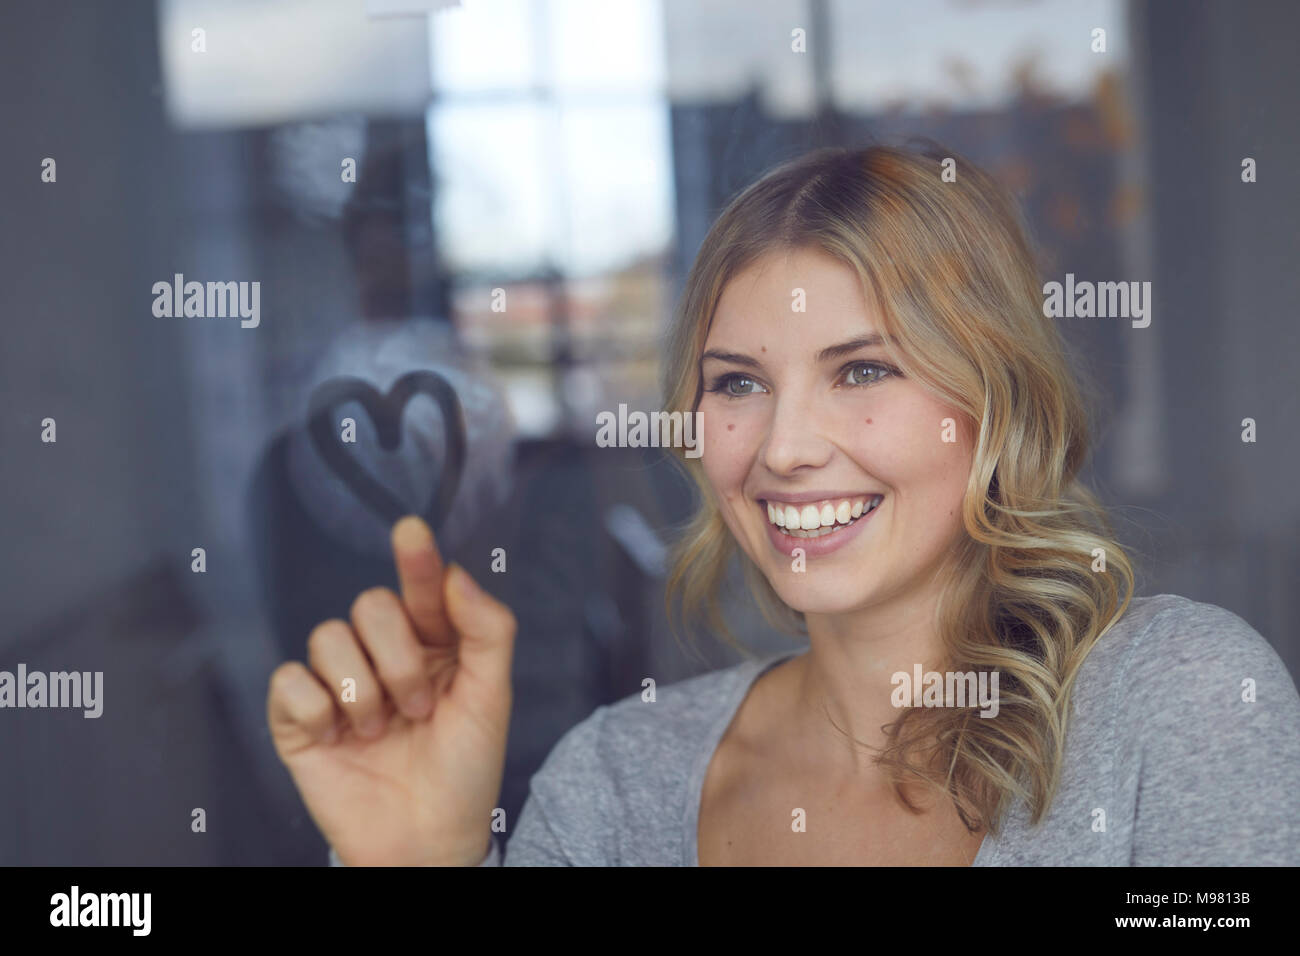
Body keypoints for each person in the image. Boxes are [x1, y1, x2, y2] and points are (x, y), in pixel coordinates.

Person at [266, 143, 1300, 866]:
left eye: (862, 370)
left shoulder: (1179, 706)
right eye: (738, 384)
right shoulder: (614, 786)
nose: (786, 450)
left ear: (995, 403)